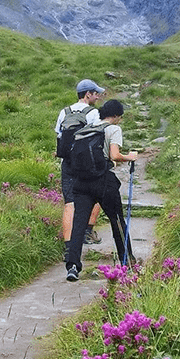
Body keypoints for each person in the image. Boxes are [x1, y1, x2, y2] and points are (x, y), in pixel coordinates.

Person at [64, 99, 138, 281]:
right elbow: (114, 155)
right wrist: (130, 157)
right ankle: (127, 262)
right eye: (120, 116)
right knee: (117, 221)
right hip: (103, 181)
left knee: (79, 225)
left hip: (81, 183)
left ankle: (72, 266)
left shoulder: (86, 129)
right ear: (116, 115)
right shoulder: (113, 129)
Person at [55, 79, 105, 246]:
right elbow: (98, 139)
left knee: (69, 203)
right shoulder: (93, 113)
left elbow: (59, 136)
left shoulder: (64, 112)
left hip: (68, 163)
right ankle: (87, 232)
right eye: (95, 93)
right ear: (87, 94)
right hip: (88, 165)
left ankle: (69, 247)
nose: (97, 97)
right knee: (97, 195)